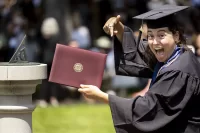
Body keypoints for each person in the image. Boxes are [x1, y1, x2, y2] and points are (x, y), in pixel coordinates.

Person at [78, 5, 200, 133]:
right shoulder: (177, 55)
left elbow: (148, 108)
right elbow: (140, 51)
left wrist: (103, 97)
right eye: (151, 36)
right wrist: (119, 29)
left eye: (161, 35)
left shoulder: (179, 71)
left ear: (176, 36)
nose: (154, 42)